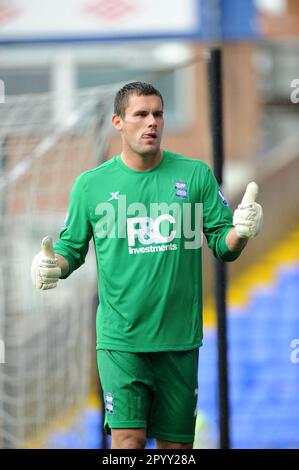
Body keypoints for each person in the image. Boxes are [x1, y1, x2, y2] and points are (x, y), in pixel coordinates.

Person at [31, 82, 263, 449]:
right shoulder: (90, 186)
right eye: (140, 114)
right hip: (121, 341)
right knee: (127, 442)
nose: (151, 122)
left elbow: (224, 245)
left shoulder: (196, 175)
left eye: (158, 114)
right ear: (118, 122)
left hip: (179, 341)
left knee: (176, 450)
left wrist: (243, 230)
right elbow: (69, 251)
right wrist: (50, 267)